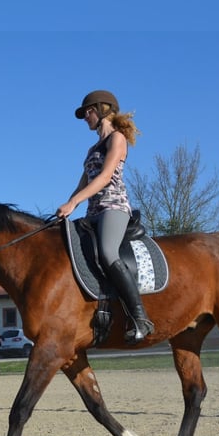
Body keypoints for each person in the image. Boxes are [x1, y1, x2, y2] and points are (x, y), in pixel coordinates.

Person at [56, 90, 154, 343]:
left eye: (87, 111)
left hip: (114, 207)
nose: (85, 117)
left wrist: (74, 202)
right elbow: (83, 183)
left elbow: (104, 177)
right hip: (92, 212)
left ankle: (140, 317)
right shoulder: (91, 149)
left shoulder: (117, 139)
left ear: (102, 109)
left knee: (108, 253)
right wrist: (68, 205)